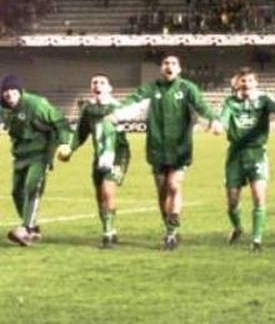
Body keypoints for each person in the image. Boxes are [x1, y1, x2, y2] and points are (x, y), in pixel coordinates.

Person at [111, 54, 223, 250]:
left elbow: (201, 106)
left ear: (179, 69)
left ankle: (172, 230)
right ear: (161, 68)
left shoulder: (187, 89)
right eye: (166, 63)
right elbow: (132, 102)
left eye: (173, 63)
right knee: (162, 192)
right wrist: (115, 114)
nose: (169, 66)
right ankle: (169, 229)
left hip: (180, 149)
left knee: (174, 185)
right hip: (157, 149)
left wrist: (213, 120)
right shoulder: (150, 89)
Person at [220, 68, 275, 253]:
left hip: (257, 154)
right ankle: (237, 228)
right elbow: (223, 120)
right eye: (243, 81)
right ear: (237, 84)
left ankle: (257, 239)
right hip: (235, 155)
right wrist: (218, 125)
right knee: (232, 201)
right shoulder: (230, 102)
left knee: (259, 197)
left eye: (250, 80)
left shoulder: (264, 100)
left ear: (256, 83)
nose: (246, 84)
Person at [0, 75, 73, 246]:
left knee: (32, 186)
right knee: (16, 193)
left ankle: (25, 228)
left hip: (40, 154)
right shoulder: (4, 108)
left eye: (12, 90)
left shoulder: (36, 104)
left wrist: (64, 144)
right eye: (5, 92)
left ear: (19, 91)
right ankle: (32, 229)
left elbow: (60, 122)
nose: (9, 94)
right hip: (20, 155)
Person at [64, 73, 131, 248]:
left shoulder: (118, 107)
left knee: (108, 191)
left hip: (117, 155)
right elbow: (81, 133)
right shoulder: (88, 109)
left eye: (102, 82)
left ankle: (107, 234)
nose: (98, 85)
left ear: (109, 88)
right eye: (94, 82)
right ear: (91, 87)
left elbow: (119, 134)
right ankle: (110, 229)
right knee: (99, 195)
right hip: (99, 156)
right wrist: (70, 149)